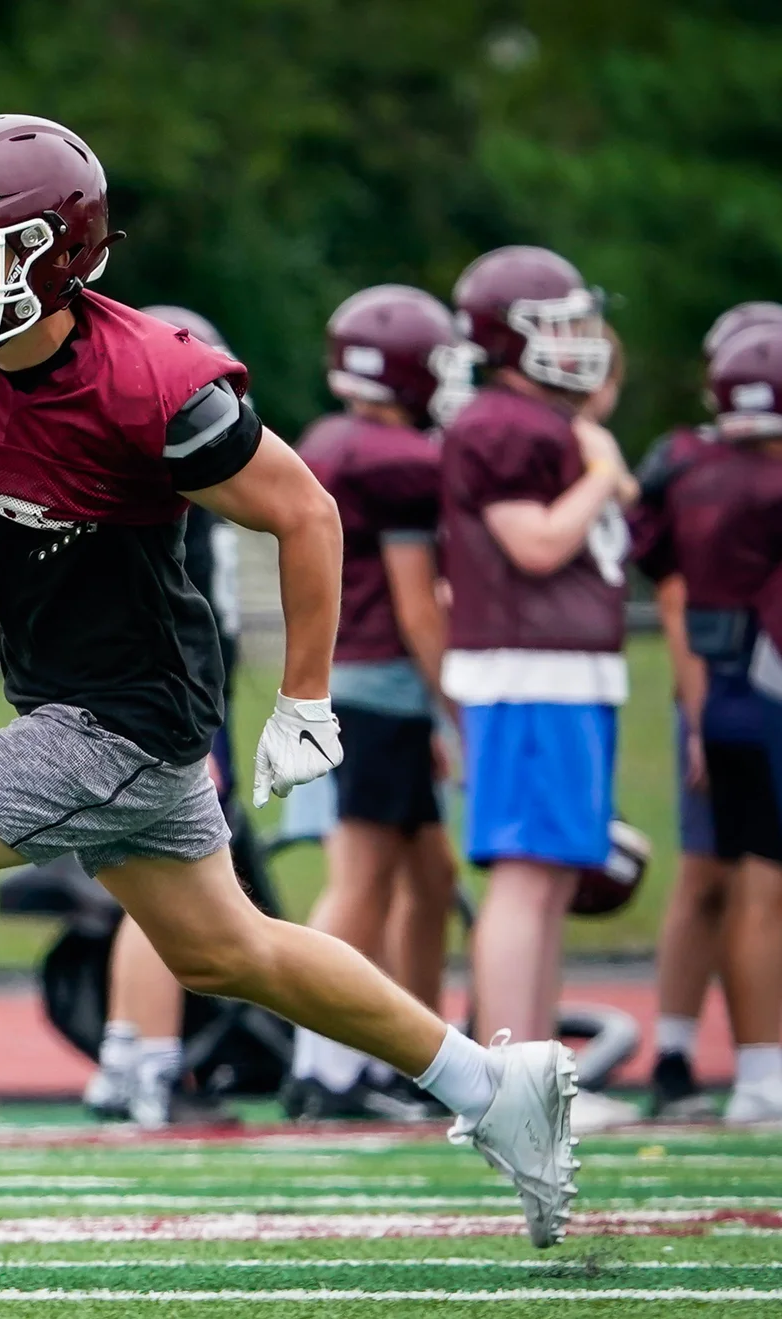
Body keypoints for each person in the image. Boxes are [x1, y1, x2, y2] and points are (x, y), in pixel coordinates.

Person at [0, 116, 580, 1247]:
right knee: (228, 951)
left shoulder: (153, 383)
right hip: (88, 701)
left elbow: (307, 512)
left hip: (121, 714)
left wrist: (304, 700)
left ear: (58, 256)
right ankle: (494, 1089)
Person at [437, 244, 639, 1136]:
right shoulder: (504, 426)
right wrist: (600, 469)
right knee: (526, 879)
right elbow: (538, 546)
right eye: (554, 324)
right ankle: (509, 1085)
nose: (579, 341)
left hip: (561, 671)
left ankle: (539, 1081)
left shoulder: (539, 420)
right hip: (529, 674)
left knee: (552, 879)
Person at [284, 284, 467, 1119]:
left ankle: (420, 1057)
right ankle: (324, 1066)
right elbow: (417, 601)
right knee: (361, 882)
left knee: (431, 878)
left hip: (349, 680)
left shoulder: (332, 437)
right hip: (381, 685)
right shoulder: (398, 460)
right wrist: (451, 704)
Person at [83, 303, 243, 1128]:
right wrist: (207, 740)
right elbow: (183, 622)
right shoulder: (169, 493)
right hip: (175, 708)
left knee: (156, 893)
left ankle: (122, 1058)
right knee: (176, 900)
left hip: (172, 700)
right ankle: (150, 1066)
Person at [631, 308, 782, 1118]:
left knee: (735, 882)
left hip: (721, 696)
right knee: (746, 884)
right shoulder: (746, 480)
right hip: (751, 696)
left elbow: (673, 584)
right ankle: (744, 1070)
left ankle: (712, 1059)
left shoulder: (686, 467)